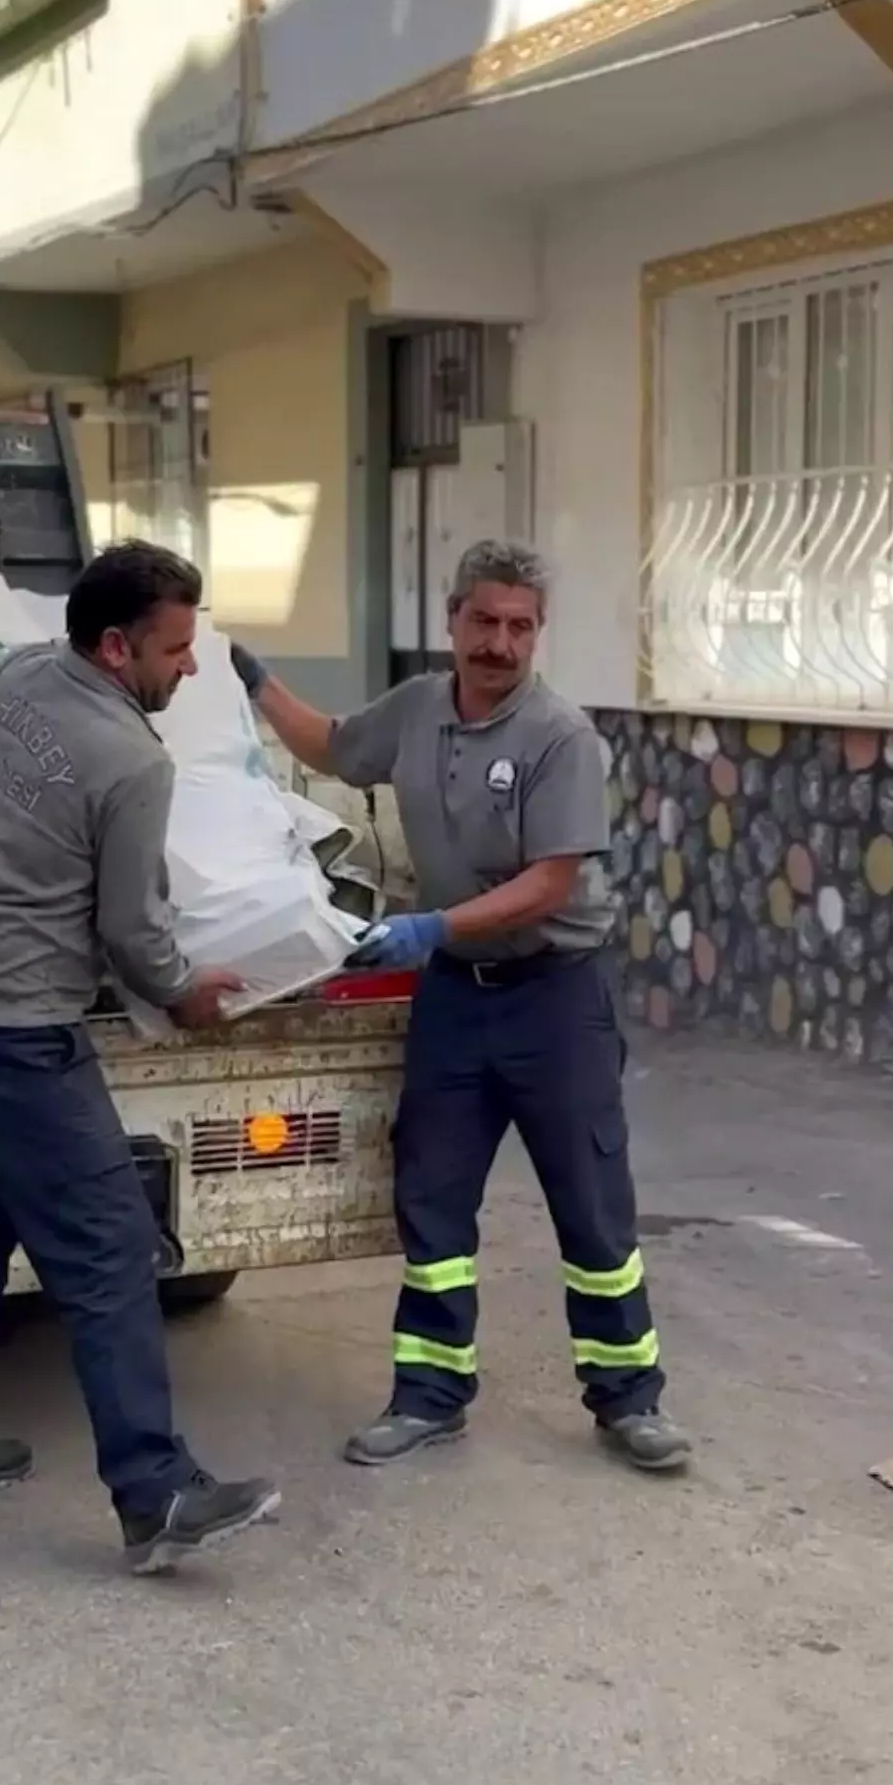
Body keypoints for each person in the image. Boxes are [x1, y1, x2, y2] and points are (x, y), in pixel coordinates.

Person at [229, 538, 690, 1473]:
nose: (500, 643)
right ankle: (430, 1395)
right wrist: (253, 683)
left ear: (537, 634)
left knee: (592, 1208)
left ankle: (628, 1400)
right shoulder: (417, 709)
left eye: (520, 627)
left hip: (553, 999)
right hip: (455, 1002)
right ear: (452, 620)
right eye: (484, 621)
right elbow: (331, 745)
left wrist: (432, 928)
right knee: (433, 1203)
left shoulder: (561, 739)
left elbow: (552, 883)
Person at [0, 541, 280, 1574]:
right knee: (107, 1255)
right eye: (175, 648)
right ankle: (155, 1493)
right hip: (18, 1031)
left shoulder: (18, 677)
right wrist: (189, 995)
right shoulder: (134, 761)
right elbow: (136, 935)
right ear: (114, 646)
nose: (189, 667)